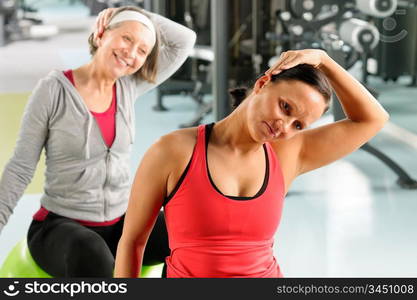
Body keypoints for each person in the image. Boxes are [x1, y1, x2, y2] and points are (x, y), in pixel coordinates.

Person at [114, 49, 389, 278]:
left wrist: (324, 61)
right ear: (263, 83)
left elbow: (372, 119)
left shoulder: (289, 153)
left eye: (298, 125)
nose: (284, 126)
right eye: (285, 107)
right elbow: (133, 243)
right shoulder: (173, 150)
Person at [0, 6, 196, 277]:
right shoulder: (53, 90)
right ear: (101, 33)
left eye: (142, 50)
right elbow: (20, 168)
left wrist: (135, 13)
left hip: (120, 224)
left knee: (191, 231)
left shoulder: (129, 87)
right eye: (127, 38)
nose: (131, 53)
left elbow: (184, 40)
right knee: (91, 252)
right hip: (62, 228)